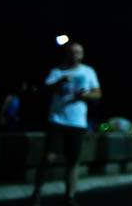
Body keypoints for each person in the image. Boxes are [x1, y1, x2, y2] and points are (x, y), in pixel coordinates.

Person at [31, 42, 101, 206]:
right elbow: (44, 89)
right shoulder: (57, 71)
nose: (76, 54)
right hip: (57, 119)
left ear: (82, 55)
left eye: (79, 52)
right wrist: (60, 82)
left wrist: (85, 95)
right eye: (73, 51)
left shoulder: (88, 71)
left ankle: (69, 197)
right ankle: (37, 192)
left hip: (78, 122)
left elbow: (98, 93)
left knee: (73, 161)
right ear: (67, 54)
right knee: (49, 157)